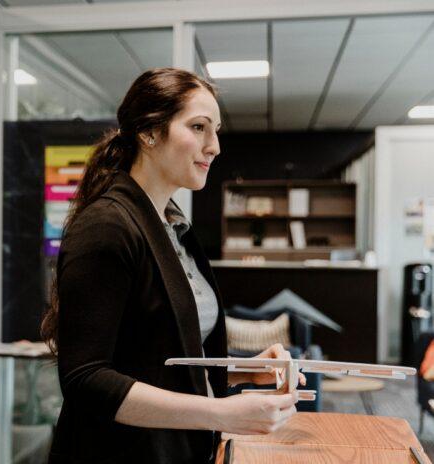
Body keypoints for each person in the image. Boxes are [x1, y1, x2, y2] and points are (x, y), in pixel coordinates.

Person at [40, 68, 303, 464]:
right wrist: (222, 412)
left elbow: (152, 361)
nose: (214, 146)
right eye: (198, 127)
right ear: (148, 134)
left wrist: (243, 371)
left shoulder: (171, 225)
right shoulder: (107, 226)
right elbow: (86, 379)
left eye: (215, 130)